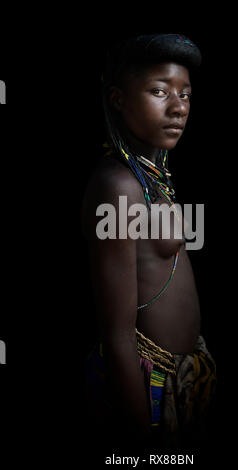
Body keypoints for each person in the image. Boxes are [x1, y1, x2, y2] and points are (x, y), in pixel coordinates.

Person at [82, 33, 216, 451]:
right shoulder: (119, 186)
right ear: (119, 99)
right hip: (146, 385)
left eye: (186, 95)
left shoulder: (152, 175)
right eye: (159, 91)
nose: (178, 107)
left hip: (184, 377)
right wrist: (143, 445)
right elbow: (117, 335)